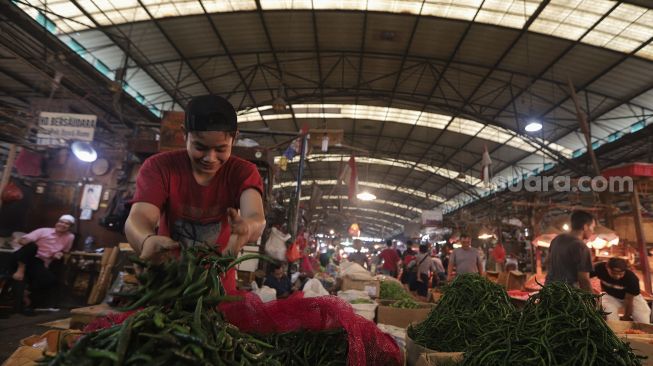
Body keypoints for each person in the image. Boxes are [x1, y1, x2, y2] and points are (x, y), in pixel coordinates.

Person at [125, 95, 266, 294]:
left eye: (221, 149)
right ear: (185, 134)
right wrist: (146, 240)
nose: (210, 158)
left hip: (216, 289)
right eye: (200, 147)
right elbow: (138, 217)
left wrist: (248, 227)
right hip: (166, 284)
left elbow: (256, 217)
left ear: (235, 137)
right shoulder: (160, 167)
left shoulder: (243, 172)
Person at [7, 215, 75, 312]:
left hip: (40, 262)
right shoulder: (43, 231)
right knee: (32, 246)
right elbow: (25, 240)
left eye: (66, 223)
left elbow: (65, 251)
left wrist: (59, 253)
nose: (62, 224)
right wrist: (21, 240)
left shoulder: (70, 237)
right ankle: (20, 270)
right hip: (27, 257)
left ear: (70, 227)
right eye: (61, 222)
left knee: (49, 279)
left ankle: (27, 297)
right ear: (57, 222)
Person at [545, 211, 594, 292]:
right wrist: (592, 301)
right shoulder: (581, 247)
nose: (593, 231)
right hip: (568, 296)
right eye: (592, 227)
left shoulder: (557, 239)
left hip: (549, 291)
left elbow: (547, 261)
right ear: (585, 227)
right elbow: (584, 280)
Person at [592, 258, 651, 323]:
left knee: (642, 317)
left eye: (621, 274)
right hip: (609, 295)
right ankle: (614, 330)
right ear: (607, 268)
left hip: (633, 298)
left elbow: (629, 300)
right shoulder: (599, 268)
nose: (617, 276)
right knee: (608, 311)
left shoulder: (631, 278)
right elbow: (584, 276)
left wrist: (626, 317)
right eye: (614, 273)